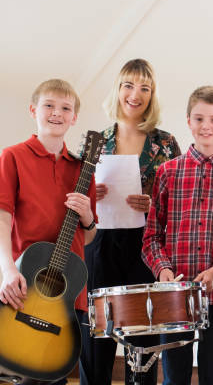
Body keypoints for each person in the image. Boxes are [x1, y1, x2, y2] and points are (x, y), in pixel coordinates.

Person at [79, 59, 181, 385]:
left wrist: (153, 205)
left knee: (144, 343)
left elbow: (178, 206)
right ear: (118, 89)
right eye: (128, 85)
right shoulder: (93, 141)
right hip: (99, 244)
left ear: (152, 96)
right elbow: (72, 199)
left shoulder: (166, 143)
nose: (135, 94)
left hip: (146, 247)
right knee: (97, 341)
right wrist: (91, 194)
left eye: (144, 88)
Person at [142, 85, 213, 385]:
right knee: (174, 376)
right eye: (199, 118)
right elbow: (151, 236)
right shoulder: (167, 173)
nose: (206, 126)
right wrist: (162, 269)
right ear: (188, 120)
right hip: (174, 294)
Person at [0, 79, 97, 385]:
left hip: (68, 291)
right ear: (33, 110)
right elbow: (2, 219)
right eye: (49, 106)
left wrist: (88, 217)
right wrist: (6, 271)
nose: (57, 113)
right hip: (24, 282)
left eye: (66, 108)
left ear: (74, 117)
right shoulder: (12, 157)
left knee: (53, 375)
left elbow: (89, 236)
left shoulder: (84, 169)